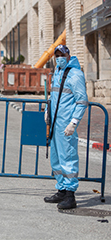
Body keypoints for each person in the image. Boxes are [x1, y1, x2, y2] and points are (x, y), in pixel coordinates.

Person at [44, 44, 88, 209]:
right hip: (55, 123)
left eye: (61, 54)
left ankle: (70, 196)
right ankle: (61, 189)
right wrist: (48, 110)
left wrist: (74, 122)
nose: (59, 57)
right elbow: (54, 96)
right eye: (57, 55)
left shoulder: (75, 74)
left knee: (68, 158)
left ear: (68, 55)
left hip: (66, 125)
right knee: (56, 159)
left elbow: (82, 101)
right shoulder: (58, 72)